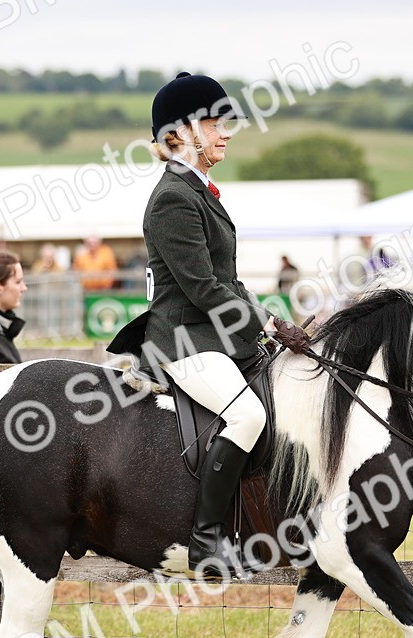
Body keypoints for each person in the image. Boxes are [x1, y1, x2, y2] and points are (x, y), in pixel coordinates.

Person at [107, 72, 310, 578]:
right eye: (215, 122)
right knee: (248, 417)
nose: (227, 132)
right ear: (182, 131)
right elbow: (203, 290)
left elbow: (230, 281)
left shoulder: (200, 191)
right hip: (183, 338)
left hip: (214, 334)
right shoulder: (173, 197)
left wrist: (277, 320)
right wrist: (265, 323)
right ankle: (206, 540)